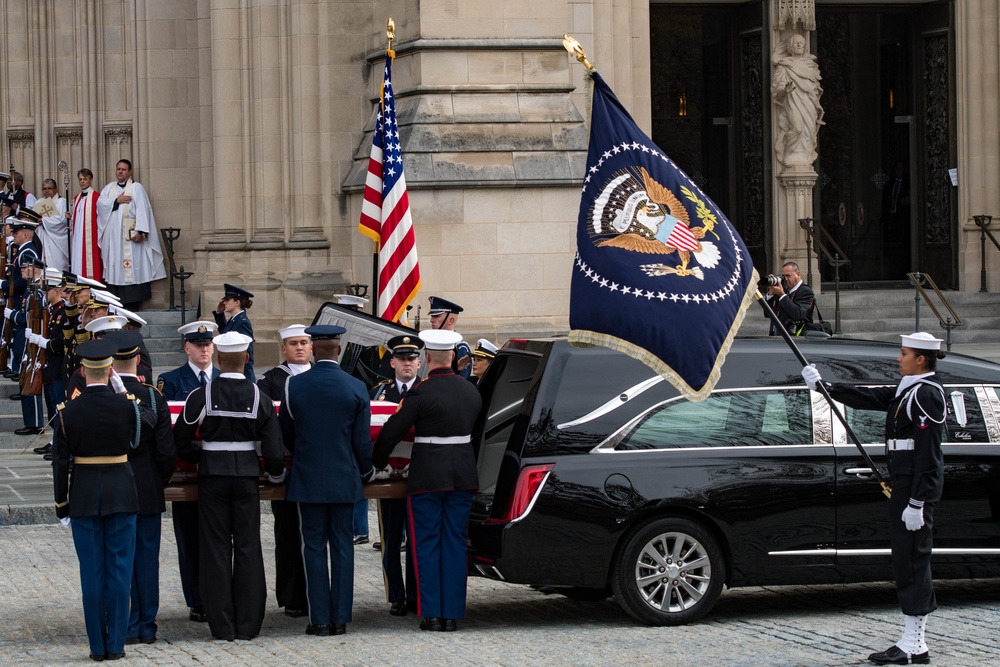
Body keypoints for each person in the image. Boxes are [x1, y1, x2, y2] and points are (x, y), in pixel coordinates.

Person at [801, 333, 946, 665]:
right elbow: (867, 397)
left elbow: (929, 457)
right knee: (906, 560)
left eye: (904, 353)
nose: (899, 358)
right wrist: (824, 387)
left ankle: (914, 644)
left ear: (921, 360)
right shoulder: (907, 389)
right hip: (904, 484)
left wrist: (918, 502)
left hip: (914, 489)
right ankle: (914, 643)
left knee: (913, 562)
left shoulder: (926, 394)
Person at [173, 331, 284, 642]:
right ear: (246, 358)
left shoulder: (201, 396)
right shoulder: (259, 396)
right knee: (248, 547)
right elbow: (273, 449)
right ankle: (249, 624)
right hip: (247, 476)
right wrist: (274, 475)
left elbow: (180, 439)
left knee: (216, 549)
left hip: (212, 476)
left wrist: (198, 457)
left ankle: (221, 625)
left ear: (219, 359)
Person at [373, 329, 482, 632]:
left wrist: (377, 463)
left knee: (426, 543)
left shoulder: (420, 393)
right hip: (462, 473)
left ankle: (432, 612)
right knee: (456, 543)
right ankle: (452, 613)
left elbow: (392, 432)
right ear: (454, 357)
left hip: (428, 476)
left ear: (427, 357)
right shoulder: (471, 391)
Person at [278, 324, 374, 637]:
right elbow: (361, 442)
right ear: (341, 350)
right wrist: (365, 470)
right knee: (343, 547)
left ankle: (319, 618)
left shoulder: (294, 386)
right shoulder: (357, 386)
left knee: (314, 548)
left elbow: (286, 434)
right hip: (345, 477)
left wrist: (306, 455)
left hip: (307, 478)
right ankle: (341, 617)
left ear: (314, 350)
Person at [52, 338, 141, 661]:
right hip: (120, 491)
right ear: (110, 369)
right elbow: (135, 440)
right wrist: (121, 395)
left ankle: (97, 646)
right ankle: (116, 643)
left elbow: (61, 463)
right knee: (119, 571)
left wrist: (61, 504)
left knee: (92, 573)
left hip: (84, 496)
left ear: (82, 371)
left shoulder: (67, 411)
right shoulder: (126, 404)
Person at [106, 329, 176, 646]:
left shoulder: (103, 398)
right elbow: (166, 452)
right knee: (147, 560)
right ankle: (147, 624)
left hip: (113, 484)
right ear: (138, 360)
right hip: (147, 486)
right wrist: (160, 478)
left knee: (118, 559)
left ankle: (125, 623)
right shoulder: (152, 397)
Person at [156, 320, 220, 624]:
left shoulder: (225, 377)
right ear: (187, 348)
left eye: (208, 344)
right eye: (198, 345)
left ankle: (220, 595)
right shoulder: (170, 381)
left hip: (220, 470)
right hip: (188, 470)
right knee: (190, 540)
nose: (204, 349)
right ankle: (197, 599)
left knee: (220, 539)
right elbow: (167, 429)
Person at [256, 323, 312, 619]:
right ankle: (292, 597)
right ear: (283, 349)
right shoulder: (270, 381)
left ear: (312, 347)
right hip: (286, 469)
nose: (299, 347)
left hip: (315, 467)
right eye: (293, 343)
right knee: (288, 533)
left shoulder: (321, 376)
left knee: (316, 534)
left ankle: (316, 592)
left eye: (304, 342)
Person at [370, 334, 422, 616]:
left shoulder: (426, 390)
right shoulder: (379, 392)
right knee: (390, 539)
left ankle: (414, 595)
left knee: (415, 538)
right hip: (387, 477)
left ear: (420, 362)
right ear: (392, 362)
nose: (407, 363)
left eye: (412, 358)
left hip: (417, 475)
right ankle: (396, 595)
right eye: (401, 358)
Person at [96, 159, 167, 308]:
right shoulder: (109, 188)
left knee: (132, 268)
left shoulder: (136, 188)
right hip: (114, 239)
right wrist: (116, 200)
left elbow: (143, 209)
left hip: (131, 237)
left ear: (130, 172)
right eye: (118, 169)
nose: (120, 172)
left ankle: (133, 302)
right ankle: (116, 300)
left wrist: (141, 232)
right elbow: (100, 205)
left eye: (123, 169)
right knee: (116, 267)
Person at [771, 33, 825, 168]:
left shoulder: (810, 65)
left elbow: (815, 88)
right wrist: (785, 91)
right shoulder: (785, 65)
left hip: (809, 104)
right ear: (789, 47)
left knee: (809, 131)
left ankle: (804, 156)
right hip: (793, 102)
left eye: (802, 43)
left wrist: (817, 104)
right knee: (797, 128)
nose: (800, 45)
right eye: (796, 43)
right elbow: (776, 90)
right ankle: (789, 153)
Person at [213, 283, 255, 380]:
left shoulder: (242, 322)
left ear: (237, 303)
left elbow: (247, 353)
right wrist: (219, 313)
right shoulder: (235, 319)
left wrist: (247, 379)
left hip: (242, 376)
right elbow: (224, 334)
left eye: (227, 300)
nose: (224, 302)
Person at [764, 261, 814, 336]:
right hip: (777, 337)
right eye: (783, 276)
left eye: (788, 276)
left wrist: (782, 295)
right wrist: (771, 292)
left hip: (794, 339)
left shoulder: (805, 291)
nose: (785, 279)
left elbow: (797, 314)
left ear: (798, 274)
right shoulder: (784, 289)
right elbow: (768, 314)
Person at [426, 296, 472, 378]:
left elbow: (463, 383)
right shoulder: (429, 343)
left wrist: (456, 369)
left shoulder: (460, 347)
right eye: (432, 316)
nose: (431, 320)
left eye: (436, 316)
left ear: (451, 320)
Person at [71, 168, 102, 280]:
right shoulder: (76, 198)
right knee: (78, 260)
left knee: (91, 262)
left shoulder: (97, 197)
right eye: (80, 179)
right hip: (78, 237)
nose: (82, 181)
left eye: (85, 179)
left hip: (90, 236)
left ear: (91, 180)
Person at [35, 178, 69, 272]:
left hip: (56, 240)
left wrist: (44, 220)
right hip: (42, 237)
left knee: (57, 264)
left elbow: (63, 220)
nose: (47, 191)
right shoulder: (39, 202)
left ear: (56, 189)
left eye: (49, 188)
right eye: (44, 189)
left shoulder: (62, 202)